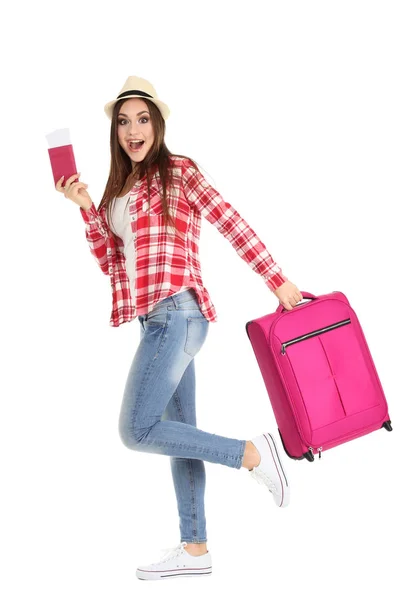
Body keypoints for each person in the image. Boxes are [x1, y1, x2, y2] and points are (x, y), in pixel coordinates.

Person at [55, 75, 303, 581]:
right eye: (123, 122)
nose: (132, 130)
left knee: (136, 430)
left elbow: (231, 222)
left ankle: (252, 454)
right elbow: (112, 264)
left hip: (178, 314)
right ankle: (195, 549)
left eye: (142, 119)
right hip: (155, 322)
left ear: (158, 124)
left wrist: (276, 280)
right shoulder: (116, 191)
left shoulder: (180, 173)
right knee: (178, 435)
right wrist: (86, 210)